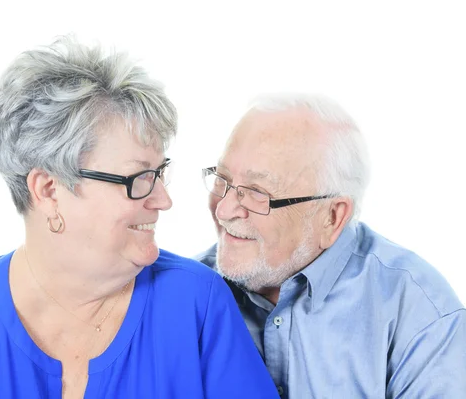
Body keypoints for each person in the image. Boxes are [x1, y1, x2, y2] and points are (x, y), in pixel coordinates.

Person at [0, 37, 278, 398]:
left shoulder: (197, 303)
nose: (163, 200)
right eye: (139, 178)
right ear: (48, 190)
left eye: (160, 173)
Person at [196, 93, 466, 398]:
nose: (224, 209)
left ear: (332, 217)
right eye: (222, 179)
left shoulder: (419, 314)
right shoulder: (183, 293)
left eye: (258, 192)